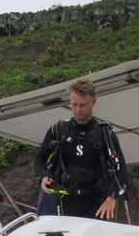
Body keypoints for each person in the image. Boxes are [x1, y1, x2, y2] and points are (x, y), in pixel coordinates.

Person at [33, 78, 128, 219]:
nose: (78, 110)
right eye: (74, 104)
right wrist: (43, 177)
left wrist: (112, 197)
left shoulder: (104, 133)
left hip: (95, 201)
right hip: (64, 200)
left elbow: (121, 168)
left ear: (93, 102)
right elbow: (39, 158)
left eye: (83, 105)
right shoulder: (58, 130)